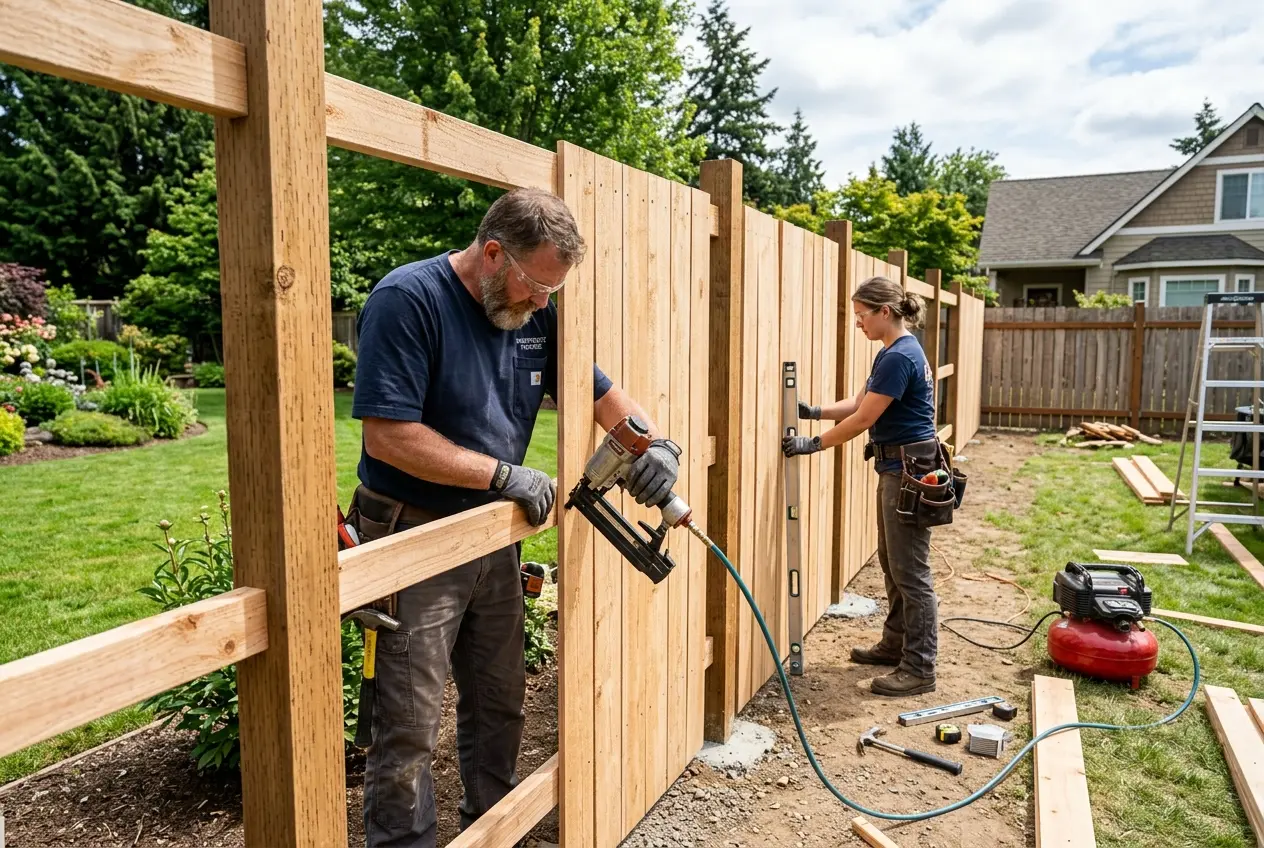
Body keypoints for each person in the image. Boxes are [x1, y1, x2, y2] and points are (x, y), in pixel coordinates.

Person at [349, 187, 682, 848]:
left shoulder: (534, 312)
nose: (542, 302)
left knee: (500, 700)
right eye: (535, 284)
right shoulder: (409, 300)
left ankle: (490, 831)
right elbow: (387, 435)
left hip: (496, 534)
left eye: (552, 291)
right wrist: (503, 474)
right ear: (492, 252)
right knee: (409, 722)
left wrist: (654, 446)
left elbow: (604, 396)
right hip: (412, 534)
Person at [782, 275, 940, 697]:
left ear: (884, 312)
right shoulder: (895, 351)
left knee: (911, 572)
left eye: (861, 315)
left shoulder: (898, 357)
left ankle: (919, 668)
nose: (858, 323)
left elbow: (864, 420)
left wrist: (810, 444)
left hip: (908, 471)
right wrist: (813, 411)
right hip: (901, 467)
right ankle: (895, 645)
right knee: (893, 562)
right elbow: (857, 404)